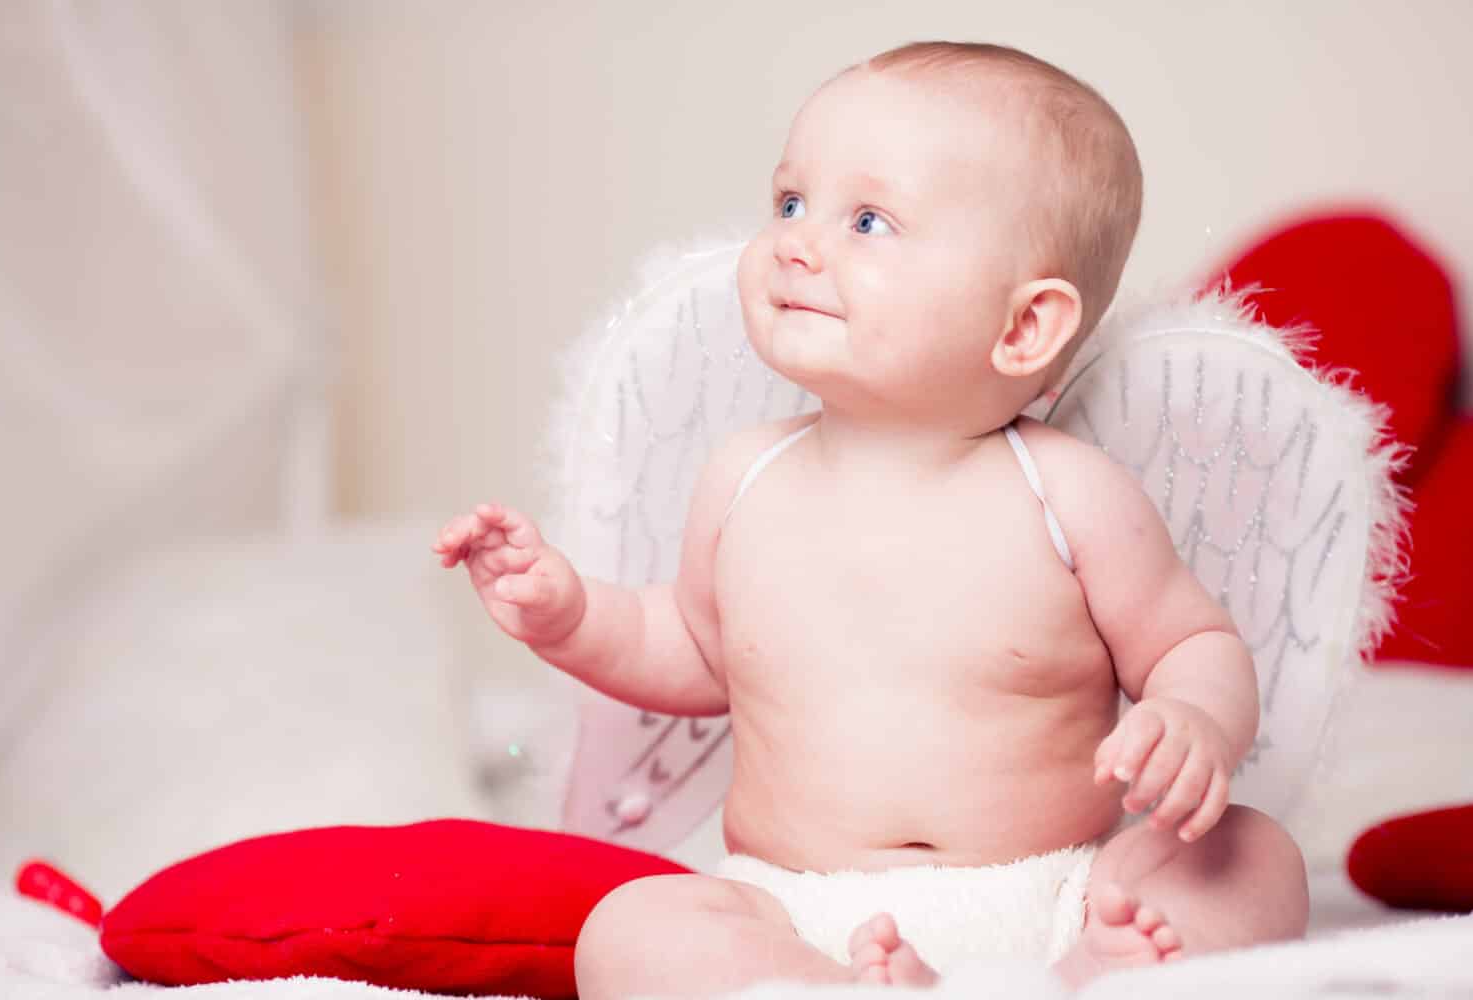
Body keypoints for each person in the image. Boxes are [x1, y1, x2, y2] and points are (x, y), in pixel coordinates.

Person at [434, 40, 1308, 997]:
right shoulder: (744, 478)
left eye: (867, 220)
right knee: (631, 926)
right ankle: (823, 986)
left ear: (1023, 327)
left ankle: (1085, 974)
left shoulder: (1071, 494)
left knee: (1253, 860)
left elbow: (1191, 638)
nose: (796, 242)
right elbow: (691, 647)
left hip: (1058, 890)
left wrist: (1193, 718)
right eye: (789, 203)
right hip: (794, 901)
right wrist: (571, 617)